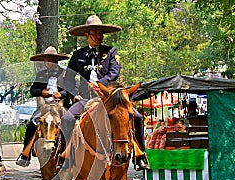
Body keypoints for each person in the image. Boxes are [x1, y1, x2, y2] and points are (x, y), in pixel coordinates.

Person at [60, 15, 148, 170]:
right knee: (67, 119)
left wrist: (100, 84)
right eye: (95, 34)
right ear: (86, 35)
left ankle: (140, 154)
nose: (99, 37)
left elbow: (114, 72)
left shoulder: (112, 52)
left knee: (138, 117)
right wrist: (75, 94)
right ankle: (66, 156)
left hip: (110, 97)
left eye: (101, 33)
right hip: (86, 98)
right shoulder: (77, 56)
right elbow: (68, 81)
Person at [16, 46, 70, 167]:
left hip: (60, 106)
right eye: (46, 60)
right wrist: (42, 92)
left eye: (49, 60)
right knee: (31, 124)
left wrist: (60, 94)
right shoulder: (41, 74)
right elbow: (32, 90)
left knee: (68, 123)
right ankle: (26, 154)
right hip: (44, 107)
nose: (47, 63)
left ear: (55, 61)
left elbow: (71, 90)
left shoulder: (65, 73)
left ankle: (67, 153)